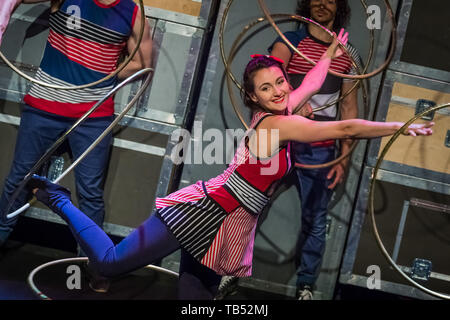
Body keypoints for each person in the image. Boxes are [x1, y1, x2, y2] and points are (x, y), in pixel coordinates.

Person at [28, 30, 432, 300]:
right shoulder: (277, 124)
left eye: (280, 82)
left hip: (229, 226)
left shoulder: (283, 109)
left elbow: (309, 83)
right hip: (206, 212)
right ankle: (59, 198)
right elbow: (344, 124)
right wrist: (401, 124)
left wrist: (328, 54)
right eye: (266, 87)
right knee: (110, 263)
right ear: (253, 99)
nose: (278, 90)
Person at [0, 0, 152, 258]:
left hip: (93, 115)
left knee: (90, 194)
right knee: (19, 180)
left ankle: (95, 263)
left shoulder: (133, 11)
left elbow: (143, 61)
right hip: (44, 105)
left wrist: (104, 74)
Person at [267, 0, 361, 300]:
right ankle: (229, 270)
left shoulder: (346, 55)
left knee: (315, 220)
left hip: (320, 149)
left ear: (339, 7)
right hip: (280, 143)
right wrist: (292, 100)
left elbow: (348, 108)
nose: (322, 4)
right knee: (251, 207)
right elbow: (264, 87)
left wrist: (344, 158)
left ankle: (305, 286)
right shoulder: (288, 43)